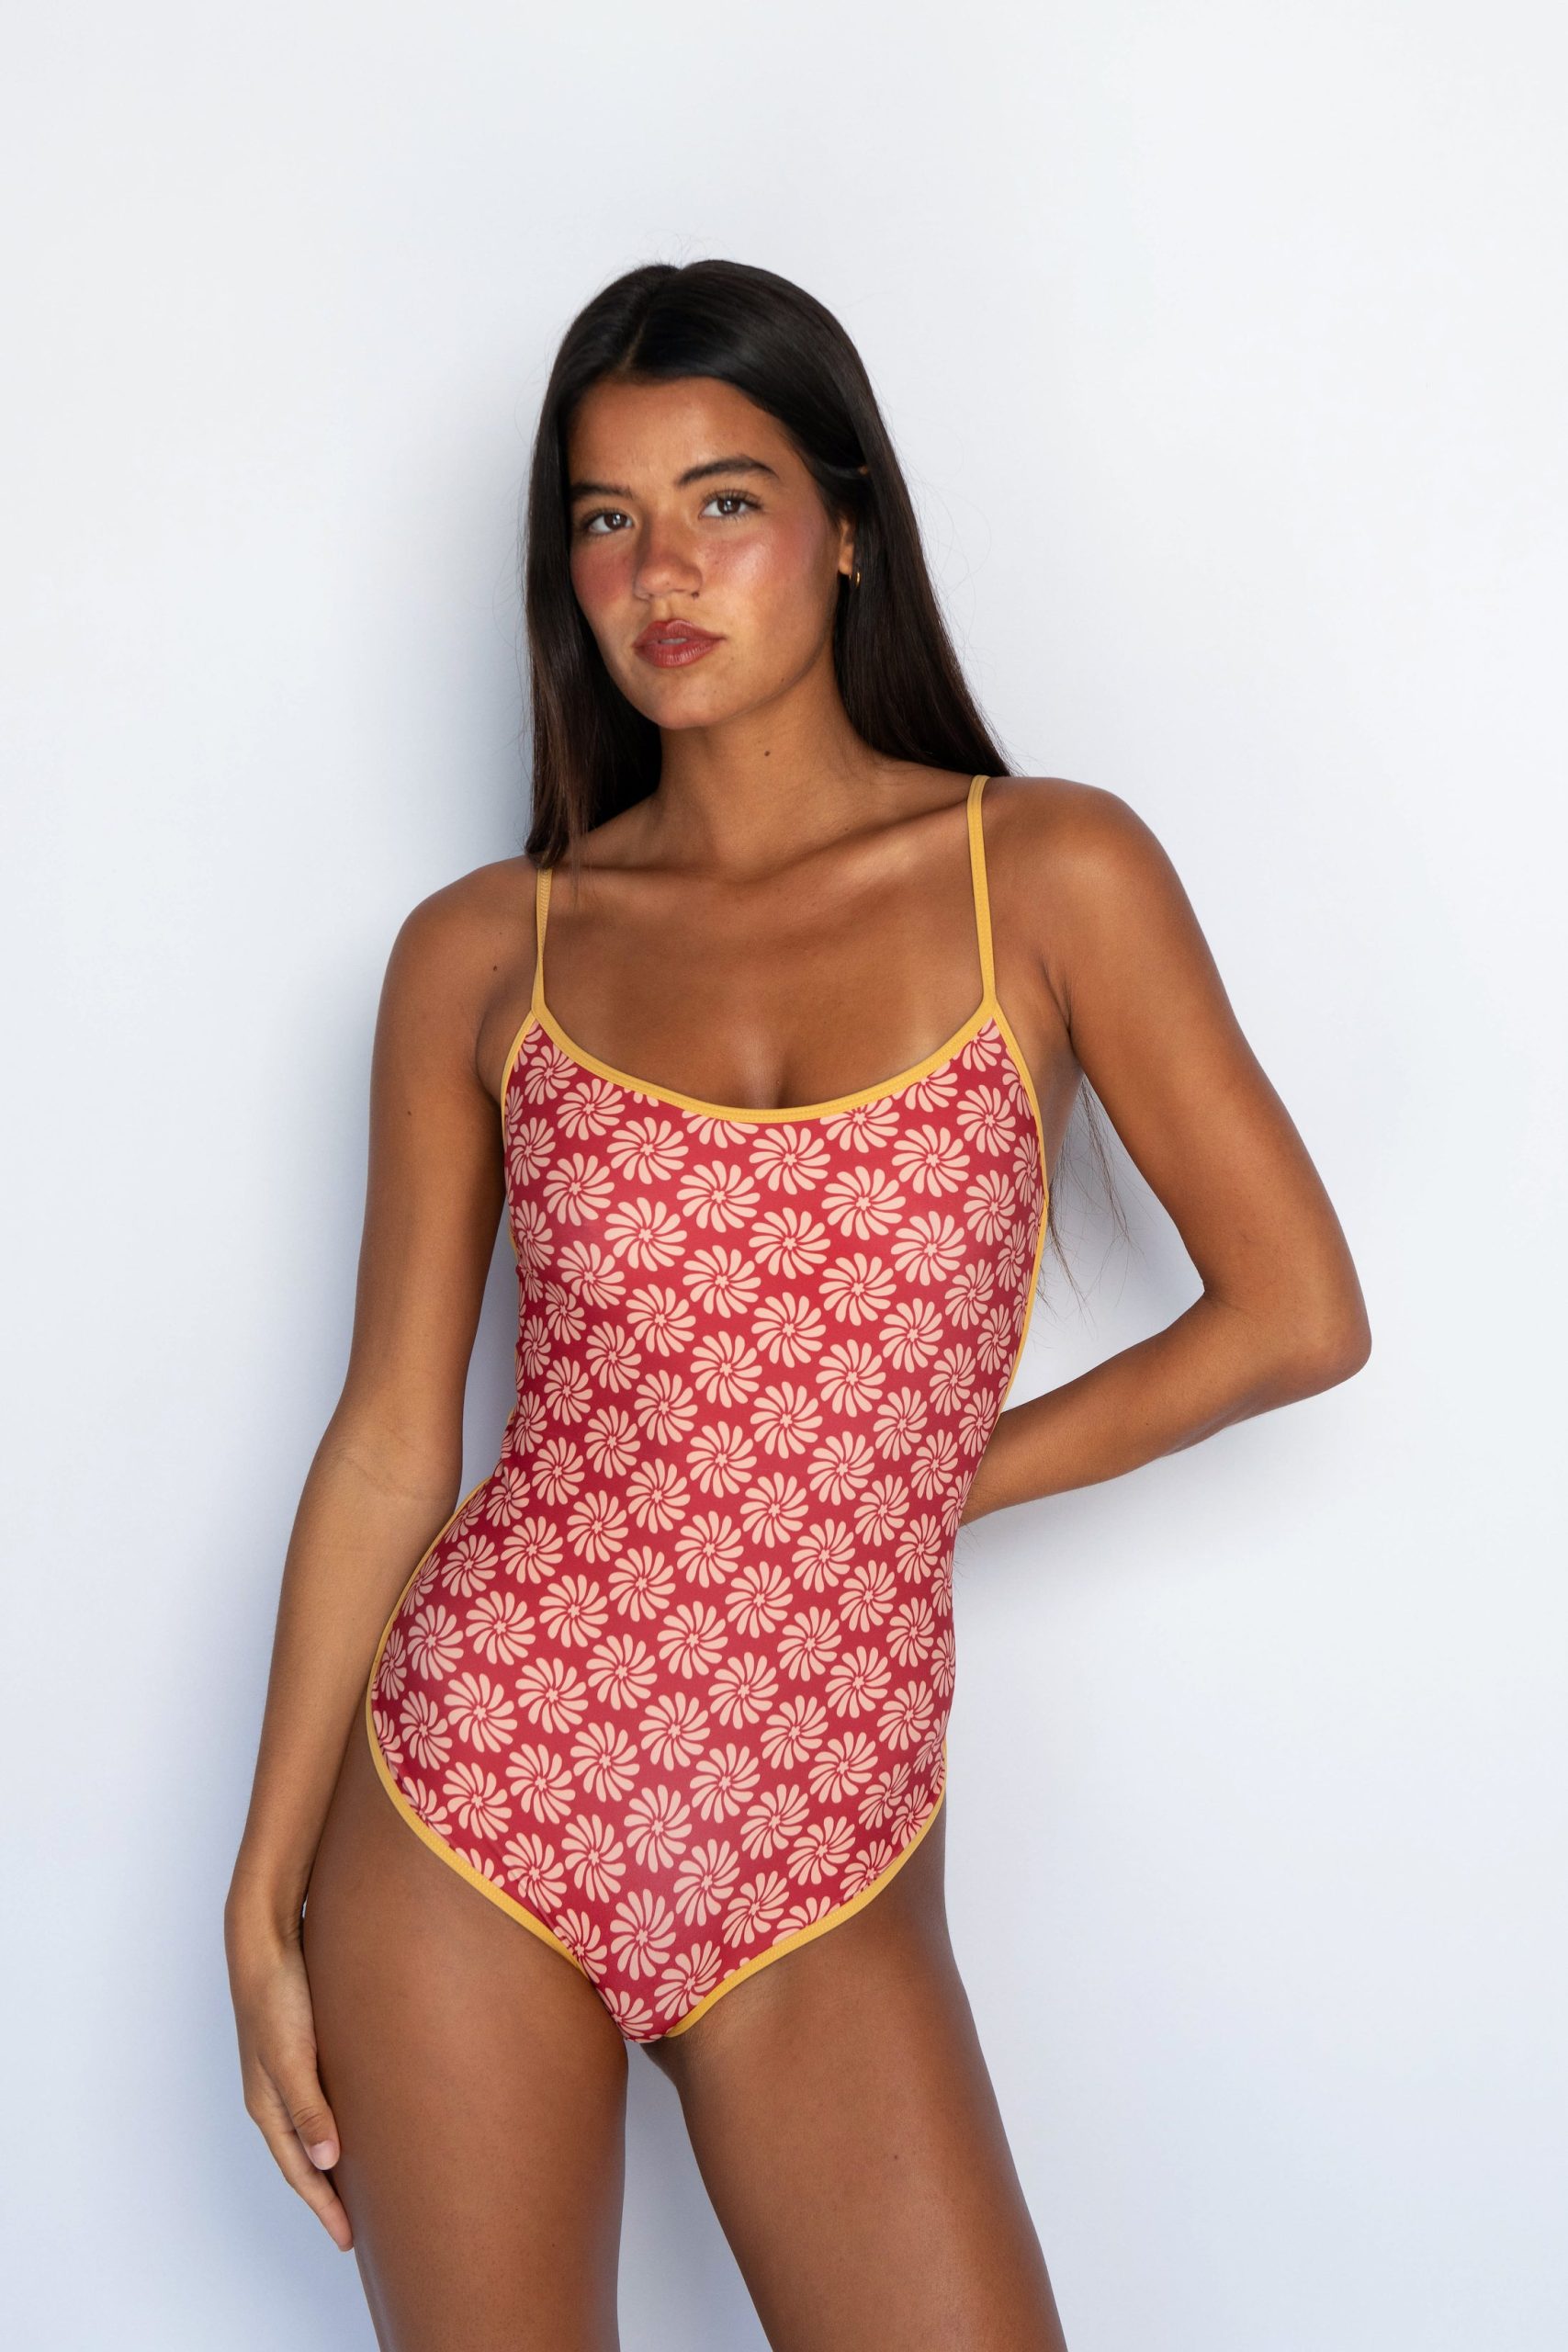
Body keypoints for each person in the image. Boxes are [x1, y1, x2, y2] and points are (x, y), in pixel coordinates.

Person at [224, 257, 1371, 2350]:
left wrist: (902, 1488)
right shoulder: (488, 949)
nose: (658, 569)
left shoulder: (1049, 874)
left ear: (847, 528)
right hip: (473, 1788)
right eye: (604, 517)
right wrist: (259, 1889)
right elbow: (392, 1438)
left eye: (723, 501)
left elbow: (1294, 1311)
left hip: (820, 1832)